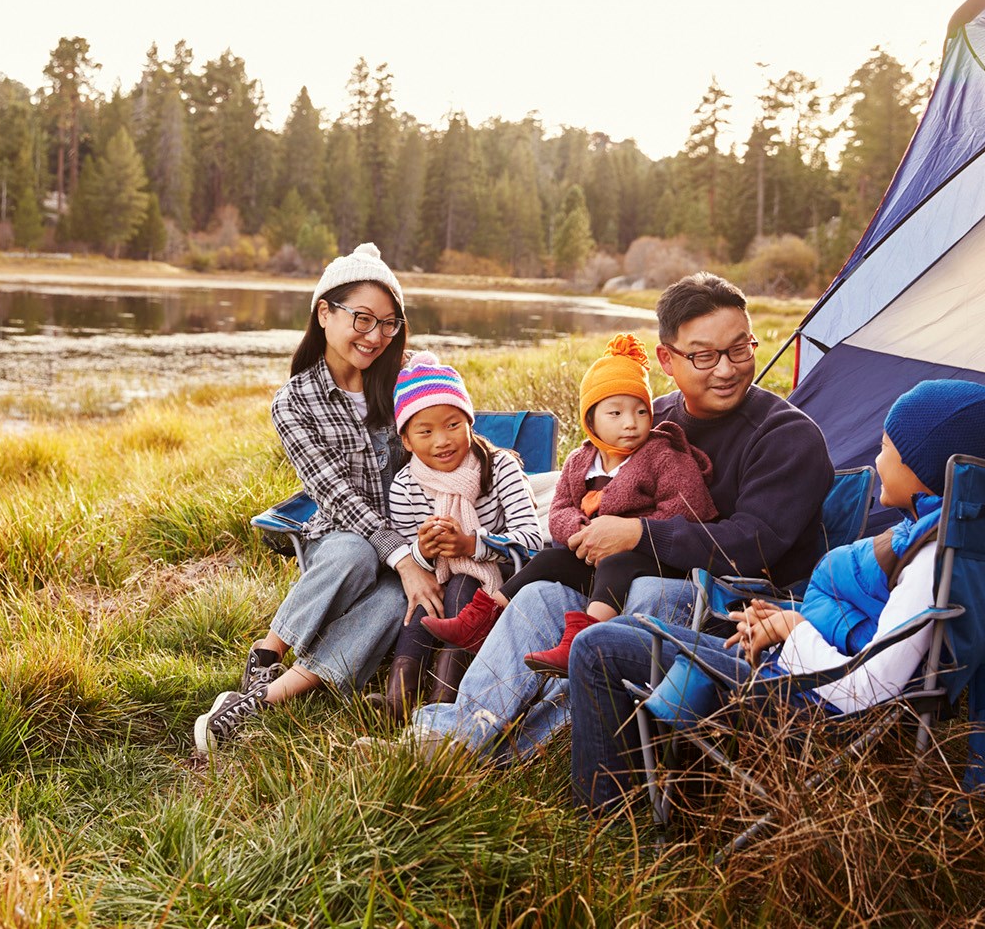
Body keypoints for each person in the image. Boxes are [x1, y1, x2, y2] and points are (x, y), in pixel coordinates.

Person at [404, 272, 835, 761]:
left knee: (646, 594)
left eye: (740, 349)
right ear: (666, 360)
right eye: (704, 355)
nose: (726, 369)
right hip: (625, 576)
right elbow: (590, 488)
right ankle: (458, 735)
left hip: (735, 603)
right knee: (543, 592)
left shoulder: (786, 437)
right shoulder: (647, 416)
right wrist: (586, 532)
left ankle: (518, 753)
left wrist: (637, 534)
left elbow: (754, 543)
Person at [568, 379, 985, 813]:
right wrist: (785, 617)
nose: (877, 460)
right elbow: (877, 635)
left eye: (885, 448)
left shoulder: (928, 562)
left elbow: (870, 689)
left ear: (922, 468)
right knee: (628, 628)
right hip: (806, 678)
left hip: (808, 705)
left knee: (596, 647)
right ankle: (662, 797)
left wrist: (796, 629)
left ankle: (607, 820)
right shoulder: (954, 542)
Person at [195, 243, 441, 751]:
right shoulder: (294, 402)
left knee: (401, 599)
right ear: (325, 313)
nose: (376, 337)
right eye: (363, 319)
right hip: (341, 536)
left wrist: (417, 552)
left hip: (414, 537)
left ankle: (264, 700)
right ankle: (267, 652)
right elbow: (337, 494)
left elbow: (449, 442)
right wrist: (399, 554)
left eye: (389, 323)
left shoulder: (408, 376)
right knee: (354, 551)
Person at [419, 332, 718, 675]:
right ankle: (480, 620)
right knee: (549, 558)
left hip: (650, 557)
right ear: (591, 420)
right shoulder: (582, 460)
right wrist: (579, 529)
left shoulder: (662, 455)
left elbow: (689, 509)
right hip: (593, 551)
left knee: (617, 563)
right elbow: (560, 507)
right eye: (616, 412)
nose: (630, 422)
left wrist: (631, 530)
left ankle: (581, 640)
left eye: (640, 411)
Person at [375, 352, 544, 720]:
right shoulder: (406, 486)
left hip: (497, 586)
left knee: (464, 580)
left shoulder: (500, 468)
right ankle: (399, 696)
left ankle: (444, 699)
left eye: (453, 424)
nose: (442, 440)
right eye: (425, 431)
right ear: (405, 439)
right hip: (437, 581)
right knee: (426, 595)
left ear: (469, 422)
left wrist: (472, 545)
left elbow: (532, 541)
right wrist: (422, 550)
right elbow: (406, 557)